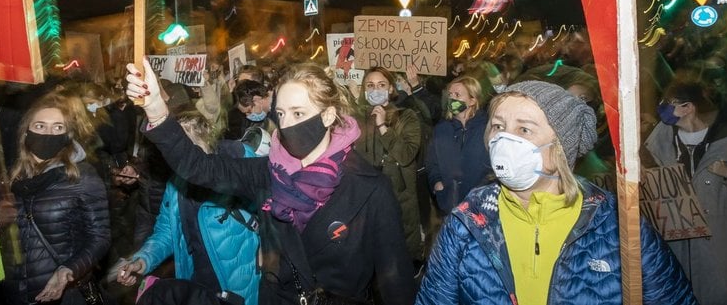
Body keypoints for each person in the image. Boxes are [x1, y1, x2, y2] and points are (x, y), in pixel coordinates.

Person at [125, 59, 416, 305]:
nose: (287, 124)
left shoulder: (370, 189)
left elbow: (395, 281)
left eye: (299, 113)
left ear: (328, 116)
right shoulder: (268, 173)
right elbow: (199, 167)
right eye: (281, 114)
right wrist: (157, 111)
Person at [417, 81, 696, 305]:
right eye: (499, 126)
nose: (505, 139)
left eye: (524, 129)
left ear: (561, 145)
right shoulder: (467, 222)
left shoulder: (618, 225)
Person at [0, 92, 111, 305]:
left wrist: (68, 270)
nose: (48, 133)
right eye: (40, 126)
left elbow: (100, 237)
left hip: (65, 294)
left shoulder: (82, 177)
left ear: (68, 135)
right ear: (26, 132)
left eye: (58, 127)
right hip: (14, 293)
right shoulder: (6, 182)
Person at [117, 109, 260, 305]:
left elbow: (270, 216)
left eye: (187, 147)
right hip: (196, 285)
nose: (180, 157)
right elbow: (166, 231)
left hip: (239, 287)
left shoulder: (238, 167)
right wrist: (143, 259)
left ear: (206, 140)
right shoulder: (176, 184)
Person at [645, 76, 727, 305]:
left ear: (688, 108)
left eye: (668, 102)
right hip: (675, 246)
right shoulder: (654, 145)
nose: (662, 107)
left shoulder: (723, 143)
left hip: (718, 245)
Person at [355, 67, 423, 263]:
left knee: (404, 243)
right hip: (369, 195)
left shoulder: (406, 116)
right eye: (370, 85)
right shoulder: (358, 119)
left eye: (381, 85)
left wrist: (383, 126)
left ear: (391, 88)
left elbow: (406, 155)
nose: (375, 89)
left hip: (399, 194)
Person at [425, 76, 491, 215]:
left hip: (480, 208)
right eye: (450, 95)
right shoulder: (442, 129)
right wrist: (437, 185)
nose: (452, 99)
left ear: (472, 100)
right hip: (449, 206)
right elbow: (432, 163)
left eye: (457, 95)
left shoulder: (487, 128)